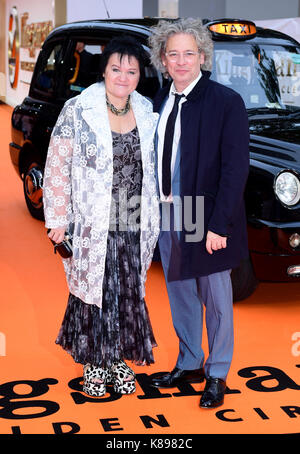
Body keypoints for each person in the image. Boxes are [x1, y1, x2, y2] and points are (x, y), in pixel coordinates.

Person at [43, 36, 160, 397]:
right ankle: (96, 360)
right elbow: (57, 165)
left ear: (140, 75)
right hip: (91, 220)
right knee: (94, 290)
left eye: (131, 70)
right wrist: (58, 219)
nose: (123, 77)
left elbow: (157, 168)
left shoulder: (146, 109)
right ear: (104, 69)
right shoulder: (78, 109)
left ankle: (119, 359)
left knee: (127, 291)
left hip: (133, 220)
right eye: (116, 69)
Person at [148, 18, 249, 408]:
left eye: (189, 53)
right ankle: (190, 361)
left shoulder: (226, 102)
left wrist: (219, 225)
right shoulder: (157, 101)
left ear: (203, 57)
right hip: (168, 213)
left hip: (206, 217)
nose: (181, 61)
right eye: (173, 54)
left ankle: (218, 373)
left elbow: (234, 169)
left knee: (217, 298)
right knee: (180, 293)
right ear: (163, 59)